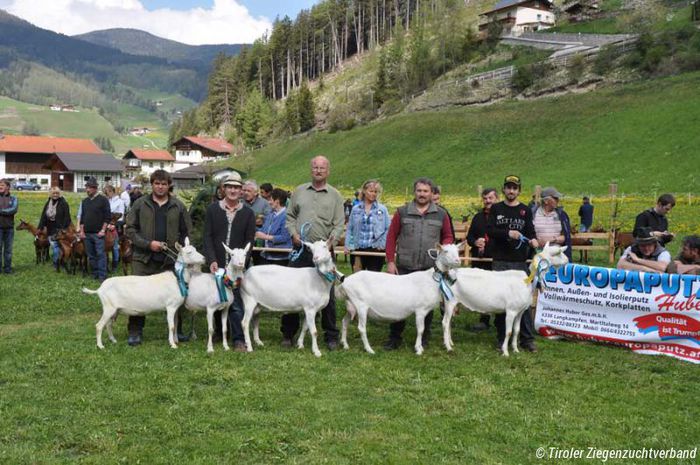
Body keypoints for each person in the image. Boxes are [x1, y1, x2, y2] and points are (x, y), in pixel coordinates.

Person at [383, 177, 454, 350]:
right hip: (405, 265)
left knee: (428, 303)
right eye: (419, 191)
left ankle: (423, 337)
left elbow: (448, 236)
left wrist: (444, 248)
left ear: (432, 193)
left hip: (429, 268)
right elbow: (391, 237)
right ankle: (394, 337)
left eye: (425, 191)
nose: (422, 194)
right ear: (414, 192)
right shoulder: (402, 212)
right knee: (399, 301)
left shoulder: (441, 214)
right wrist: (391, 261)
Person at [125, 170, 192, 346]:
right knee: (138, 295)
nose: (160, 187)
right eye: (157, 183)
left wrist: (181, 250)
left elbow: (187, 232)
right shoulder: (140, 204)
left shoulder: (178, 206)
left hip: (169, 260)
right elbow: (130, 230)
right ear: (152, 184)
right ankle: (135, 331)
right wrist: (148, 244)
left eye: (164, 184)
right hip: (143, 258)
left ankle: (177, 331)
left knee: (176, 295)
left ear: (169, 185)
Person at [284, 155, 345, 350]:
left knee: (328, 294)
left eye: (322, 168)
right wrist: (293, 234)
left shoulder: (335, 195)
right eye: (315, 167)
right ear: (311, 170)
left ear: (328, 171)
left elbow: (339, 224)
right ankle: (288, 333)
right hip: (301, 249)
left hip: (324, 253)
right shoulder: (299, 191)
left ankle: (330, 335)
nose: (318, 170)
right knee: (292, 290)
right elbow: (290, 216)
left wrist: (330, 243)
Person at [203, 173, 256, 352]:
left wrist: (242, 263)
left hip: (236, 267)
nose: (233, 190)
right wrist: (211, 260)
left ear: (241, 191)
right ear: (223, 189)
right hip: (217, 263)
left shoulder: (248, 213)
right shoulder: (213, 210)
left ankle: (239, 339)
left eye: (237, 187)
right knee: (216, 297)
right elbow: (207, 237)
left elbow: (250, 240)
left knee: (235, 302)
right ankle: (218, 332)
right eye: (229, 187)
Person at [487, 175, 539, 353]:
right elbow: (491, 231)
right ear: (504, 189)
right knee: (501, 301)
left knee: (523, 302)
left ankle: (527, 339)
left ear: (519, 190)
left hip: (519, 263)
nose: (511, 191)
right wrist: (509, 233)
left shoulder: (525, 210)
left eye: (514, 188)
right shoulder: (496, 208)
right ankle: (502, 337)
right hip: (500, 261)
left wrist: (533, 240)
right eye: (508, 187)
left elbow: (530, 231)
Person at [466, 187, 498, 332]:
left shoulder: (501, 217)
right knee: (482, 289)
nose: (488, 201)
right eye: (485, 198)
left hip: (496, 258)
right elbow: (469, 237)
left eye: (490, 198)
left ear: (496, 199)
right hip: (479, 259)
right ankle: (484, 320)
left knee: (496, 289)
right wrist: (475, 242)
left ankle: (499, 320)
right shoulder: (478, 217)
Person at [344, 179, 390, 272]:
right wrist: (347, 244)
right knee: (357, 281)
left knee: (373, 281)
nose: (373, 194)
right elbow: (350, 228)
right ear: (364, 191)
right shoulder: (356, 209)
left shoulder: (382, 209)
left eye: (375, 192)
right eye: (371, 191)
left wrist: (382, 244)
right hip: (358, 249)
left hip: (375, 249)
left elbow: (388, 228)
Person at [78, 177, 111, 282]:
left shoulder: (103, 200)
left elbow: (107, 216)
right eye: (86, 188)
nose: (87, 190)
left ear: (95, 188)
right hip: (87, 234)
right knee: (91, 255)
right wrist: (82, 231)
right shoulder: (85, 201)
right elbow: (82, 218)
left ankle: (102, 276)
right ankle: (95, 274)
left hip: (98, 233)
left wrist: (103, 230)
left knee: (100, 254)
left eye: (90, 188)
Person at [532, 187, 573, 262]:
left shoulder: (562, 215)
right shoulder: (533, 214)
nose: (558, 200)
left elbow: (566, 237)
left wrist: (551, 240)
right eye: (555, 198)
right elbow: (528, 234)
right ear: (546, 201)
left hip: (557, 256)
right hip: (538, 256)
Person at [255, 188, 292, 265]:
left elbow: (285, 237)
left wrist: (266, 237)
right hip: (265, 255)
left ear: (277, 201)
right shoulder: (271, 214)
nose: (269, 202)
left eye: (270, 200)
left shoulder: (287, 216)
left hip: (279, 259)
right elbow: (264, 230)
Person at [38, 187, 72, 270]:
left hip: (61, 229)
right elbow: (43, 216)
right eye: (54, 193)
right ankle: (56, 262)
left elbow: (67, 217)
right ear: (50, 194)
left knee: (61, 247)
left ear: (59, 194)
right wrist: (40, 227)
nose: (55, 195)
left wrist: (63, 228)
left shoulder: (64, 203)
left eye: (57, 193)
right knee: (54, 246)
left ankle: (60, 263)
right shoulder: (48, 203)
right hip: (50, 228)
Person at [104, 185, 125, 271]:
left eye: (107, 192)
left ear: (112, 191)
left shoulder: (120, 202)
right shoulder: (107, 201)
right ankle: (106, 264)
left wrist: (113, 225)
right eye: (105, 192)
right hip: (106, 225)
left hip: (115, 226)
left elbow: (121, 215)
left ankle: (115, 265)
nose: (106, 194)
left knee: (115, 246)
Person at [0, 179, 19, 274]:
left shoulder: (14, 198)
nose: (0, 186)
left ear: (7, 187)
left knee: (8, 250)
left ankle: (7, 269)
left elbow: (14, 209)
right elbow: (9, 211)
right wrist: (6, 211)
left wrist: (1, 211)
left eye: (2, 185)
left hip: (9, 228)